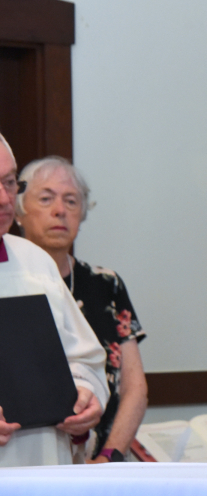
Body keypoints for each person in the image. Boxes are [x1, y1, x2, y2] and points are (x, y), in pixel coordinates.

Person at [15, 156, 147, 464]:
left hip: (105, 462)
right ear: (19, 211)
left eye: (71, 201)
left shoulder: (105, 284)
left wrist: (109, 458)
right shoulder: (9, 282)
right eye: (46, 199)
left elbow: (134, 387)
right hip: (30, 460)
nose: (60, 210)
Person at [0, 137, 108, 467]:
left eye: (8, 183)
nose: (5, 200)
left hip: (42, 464)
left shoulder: (35, 263)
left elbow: (83, 359)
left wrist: (85, 398)